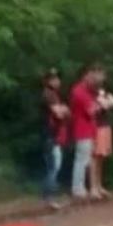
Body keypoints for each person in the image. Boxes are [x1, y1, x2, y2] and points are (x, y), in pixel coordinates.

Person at [69, 63, 105, 200]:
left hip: (90, 129)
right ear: (85, 76)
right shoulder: (79, 91)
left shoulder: (87, 91)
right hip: (82, 129)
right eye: (91, 76)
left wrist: (97, 104)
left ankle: (81, 187)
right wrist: (100, 104)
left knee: (87, 159)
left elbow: (93, 107)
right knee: (82, 159)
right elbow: (91, 110)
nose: (93, 80)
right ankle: (77, 188)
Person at [40, 68, 69, 210]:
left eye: (57, 78)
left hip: (53, 135)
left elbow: (65, 112)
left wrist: (64, 110)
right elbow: (59, 113)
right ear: (48, 81)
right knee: (53, 166)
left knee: (54, 166)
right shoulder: (48, 95)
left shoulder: (53, 95)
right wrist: (63, 109)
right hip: (49, 135)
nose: (57, 81)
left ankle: (49, 197)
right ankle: (49, 198)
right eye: (53, 79)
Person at [90, 84, 113, 200]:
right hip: (97, 127)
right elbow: (106, 105)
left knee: (101, 157)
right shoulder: (92, 95)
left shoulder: (105, 93)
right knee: (95, 157)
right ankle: (93, 187)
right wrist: (104, 101)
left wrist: (104, 101)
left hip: (105, 126)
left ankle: (99, 185)